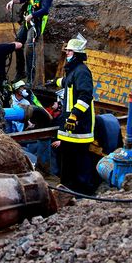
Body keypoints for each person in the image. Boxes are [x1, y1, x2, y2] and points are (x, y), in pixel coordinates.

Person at [51, 35, 100, 195]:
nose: (67, 54)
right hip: (69, 127)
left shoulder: (82, 72)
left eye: (70, 51)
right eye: (67, 51)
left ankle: (81, 192)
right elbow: (66, 83)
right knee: (67, 159)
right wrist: (54, 82)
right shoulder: (73, 72)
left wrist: (74, 115)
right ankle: (67, 189)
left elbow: (85, 96)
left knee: (78, 160)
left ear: (77, 54)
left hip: (79, 126)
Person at [6, 0, 57, 81]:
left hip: (36, 23)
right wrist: (13, 1)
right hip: (27, 21)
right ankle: (20, 72)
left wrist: (32, 15)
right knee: (18, 42)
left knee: (29, 46)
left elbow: (45, 10)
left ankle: (30, 77)